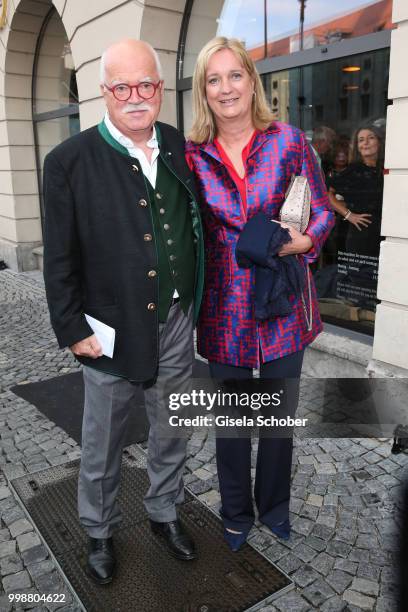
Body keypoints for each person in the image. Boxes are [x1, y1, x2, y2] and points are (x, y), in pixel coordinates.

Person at [43, 39, 204, 583]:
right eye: (122, 87)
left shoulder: (180, 146)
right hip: (108, 329)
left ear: (160, 90)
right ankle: (99, 530)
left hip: (178, 319)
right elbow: (60, 255)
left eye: (146, 85)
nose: (135, 97)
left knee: (172, 427)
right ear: (105, 92)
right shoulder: (67, 160)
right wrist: (70, 327)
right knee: (103, 439)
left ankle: (164, 512)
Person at [186, 37, 334, 551]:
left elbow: (321, 207)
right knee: (231, 424)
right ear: (203, 92)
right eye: (213, 79)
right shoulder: (192, 156)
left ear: (252, 81)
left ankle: (273, 508)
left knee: (275, 422)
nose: (226, 88)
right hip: (223, 308)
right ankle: (234, 513)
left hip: (282, 305)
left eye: (234, 75)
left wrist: (307, 240)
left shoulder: (288, 141)